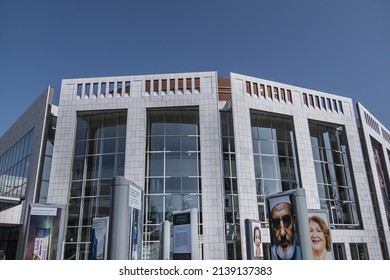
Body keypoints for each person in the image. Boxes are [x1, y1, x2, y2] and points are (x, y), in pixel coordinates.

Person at [269, 195, 301, 260]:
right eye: (276, 223)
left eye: (287, 221)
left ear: (294, 222)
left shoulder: (303, 253)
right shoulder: (269, 256)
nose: (283, 233)